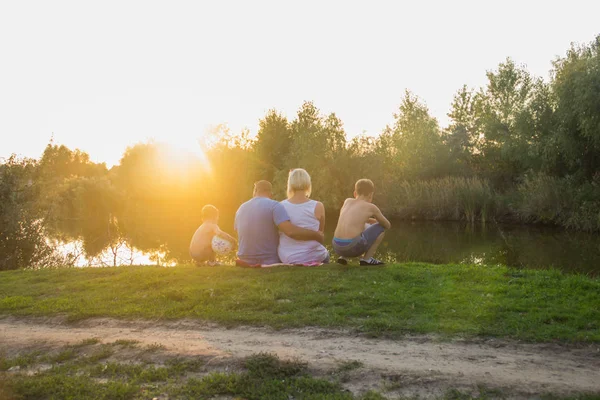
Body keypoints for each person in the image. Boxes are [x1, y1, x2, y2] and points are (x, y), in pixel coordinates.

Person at [235, 180, 324, 265]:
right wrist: (316, 235)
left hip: (244, 258)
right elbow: (290, 231)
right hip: (268, 259)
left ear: (255, 191)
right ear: (271, 193)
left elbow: (237, 231)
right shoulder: (274, 205)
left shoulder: (240, 208)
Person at [332, 179, 391, 265]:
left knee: (359, 225)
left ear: (355, 193)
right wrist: (376, 221)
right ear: (371, 194)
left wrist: (369, 221)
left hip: (336, 247)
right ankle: (366, 259)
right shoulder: (371, 207)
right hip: (352, 248)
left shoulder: (347, 201)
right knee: (381, 228)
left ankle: (343, 257)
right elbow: (387, 225)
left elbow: (351, 219)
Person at [278, 169, 329, 264]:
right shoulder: (318, 205)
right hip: (314, 256)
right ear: (308, 183)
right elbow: (320, 232)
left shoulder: (280, 206)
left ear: (290, 184)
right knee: (325, 253)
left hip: (289, 257)